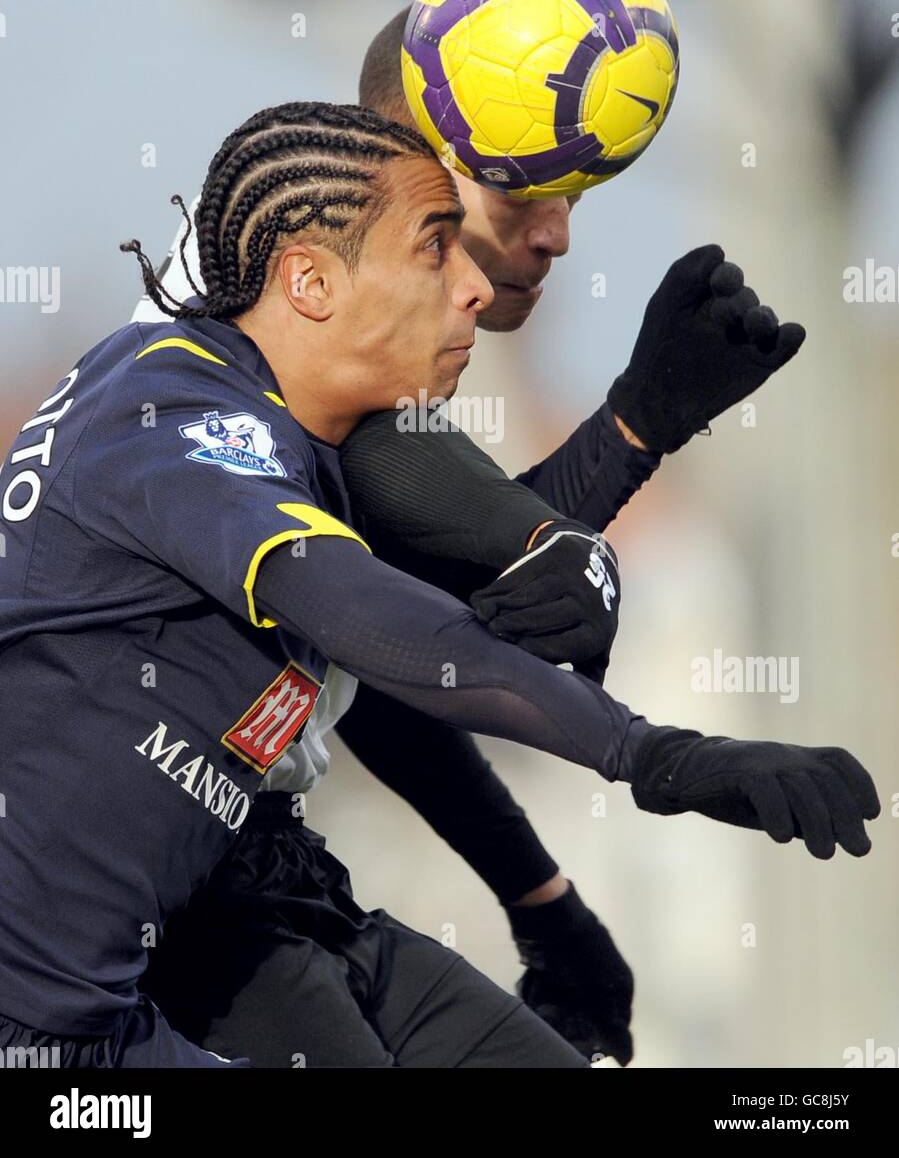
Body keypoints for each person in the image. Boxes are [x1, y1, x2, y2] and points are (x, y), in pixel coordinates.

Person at [99, 101, 878, 1071]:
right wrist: (654, 751)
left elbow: (386, 651)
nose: (553, 236)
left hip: (266, 876)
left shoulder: (339, 312)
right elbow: (391, 616)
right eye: (521, 197)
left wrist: (544, 907)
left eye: (571, 202)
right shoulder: (226, 348)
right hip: (141, 931)